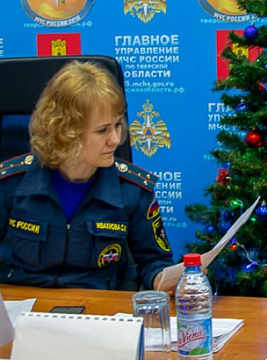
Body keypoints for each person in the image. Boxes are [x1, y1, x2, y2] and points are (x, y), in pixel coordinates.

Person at [0, 60, 173, 290]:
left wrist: (166, 280)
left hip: (96, 311)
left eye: (117, 125)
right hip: (23, 311)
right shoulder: (10, 183)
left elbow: (154, 261)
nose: (115, 139)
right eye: (102, 130)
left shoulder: (133, 190)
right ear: (65, 131)